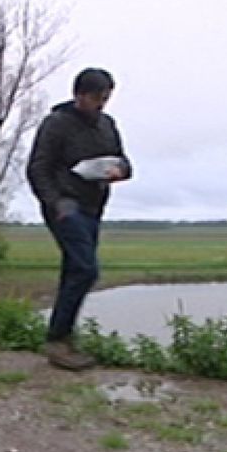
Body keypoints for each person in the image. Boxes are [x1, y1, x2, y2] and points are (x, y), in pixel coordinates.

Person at [27, 67, 132, 371]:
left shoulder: (107, 125)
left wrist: (120, 171)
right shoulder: (56, 124)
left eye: (107, 99)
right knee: (86, 270)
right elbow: (37, 169)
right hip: (65, 206)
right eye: (98, 98)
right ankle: (56, 339)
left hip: (93, 207)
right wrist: (56, 202)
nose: (102, 105)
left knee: (74, 270)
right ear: (80, 95)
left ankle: (62, 340)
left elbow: (125, 162)